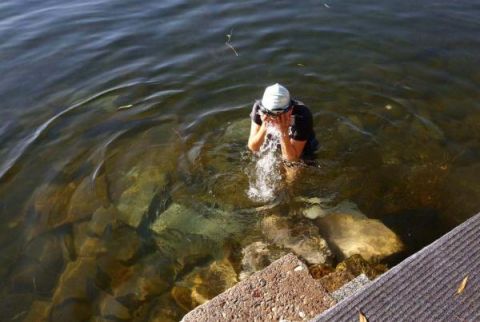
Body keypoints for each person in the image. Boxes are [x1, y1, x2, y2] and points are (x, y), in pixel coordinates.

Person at [247, 83, 317, 162]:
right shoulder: (259, 108)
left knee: (293, 170)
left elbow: (291, 159)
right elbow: (253, 147)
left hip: (302, 146)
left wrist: (283, 131)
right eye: (271, 113)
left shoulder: (302, 115)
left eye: (280, 114)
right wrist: (265, 125)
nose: (276, 118)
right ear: (264, 109)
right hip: (279, 143)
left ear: (291, 108)